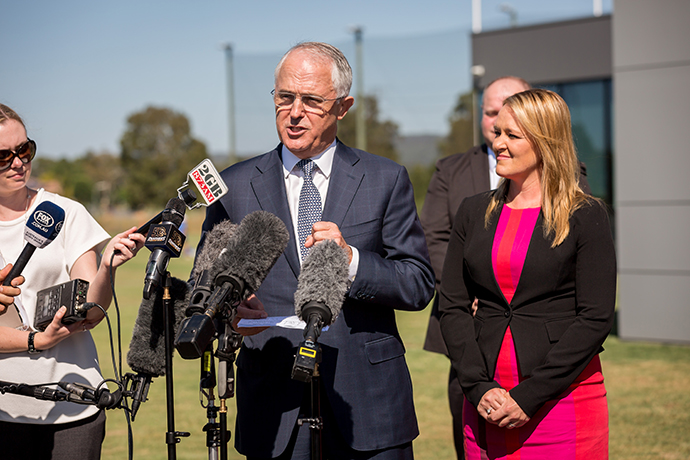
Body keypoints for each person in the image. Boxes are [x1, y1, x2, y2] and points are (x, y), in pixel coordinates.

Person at [197, 42, 434, 459]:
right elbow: (203, 286)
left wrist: (352, 260)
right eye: (284, 97)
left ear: (343, 107)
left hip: (369, 404)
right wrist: (227, 311)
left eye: (311, 100)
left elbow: (417, 283)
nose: (294, 111)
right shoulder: (233, 187)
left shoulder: (385, 179)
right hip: (274, 405)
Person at [419, 76, 592, 458]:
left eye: (510, 132)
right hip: (479, 373)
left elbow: (593, 315)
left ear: (543, 137)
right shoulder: (467, 198)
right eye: (494, 125)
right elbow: (445, 282)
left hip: (556, 394)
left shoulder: (584, 210)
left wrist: (529, 395)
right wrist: (479, 386)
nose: (497, 141)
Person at [0, 103, 146, 460]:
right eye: (4, 156)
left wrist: (107, 267)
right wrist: (34, 340)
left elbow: (91, 313)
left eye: (25, 150)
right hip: (5, 412)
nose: (19, 162)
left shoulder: (66, 212)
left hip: (73, 405)